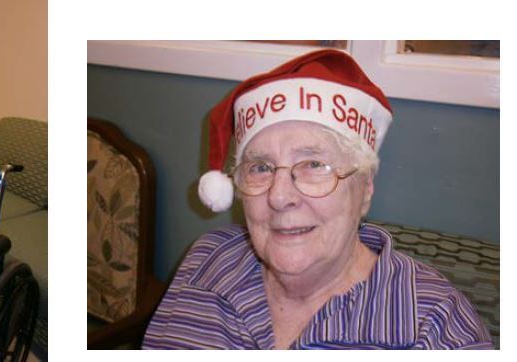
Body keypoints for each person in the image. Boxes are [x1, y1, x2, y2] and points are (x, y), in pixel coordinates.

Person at [143, 50, 492, 349]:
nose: (279, 197)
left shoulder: (434, 327)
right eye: (261, 167)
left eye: (313, 164)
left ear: (365, 187)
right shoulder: (206, 261)